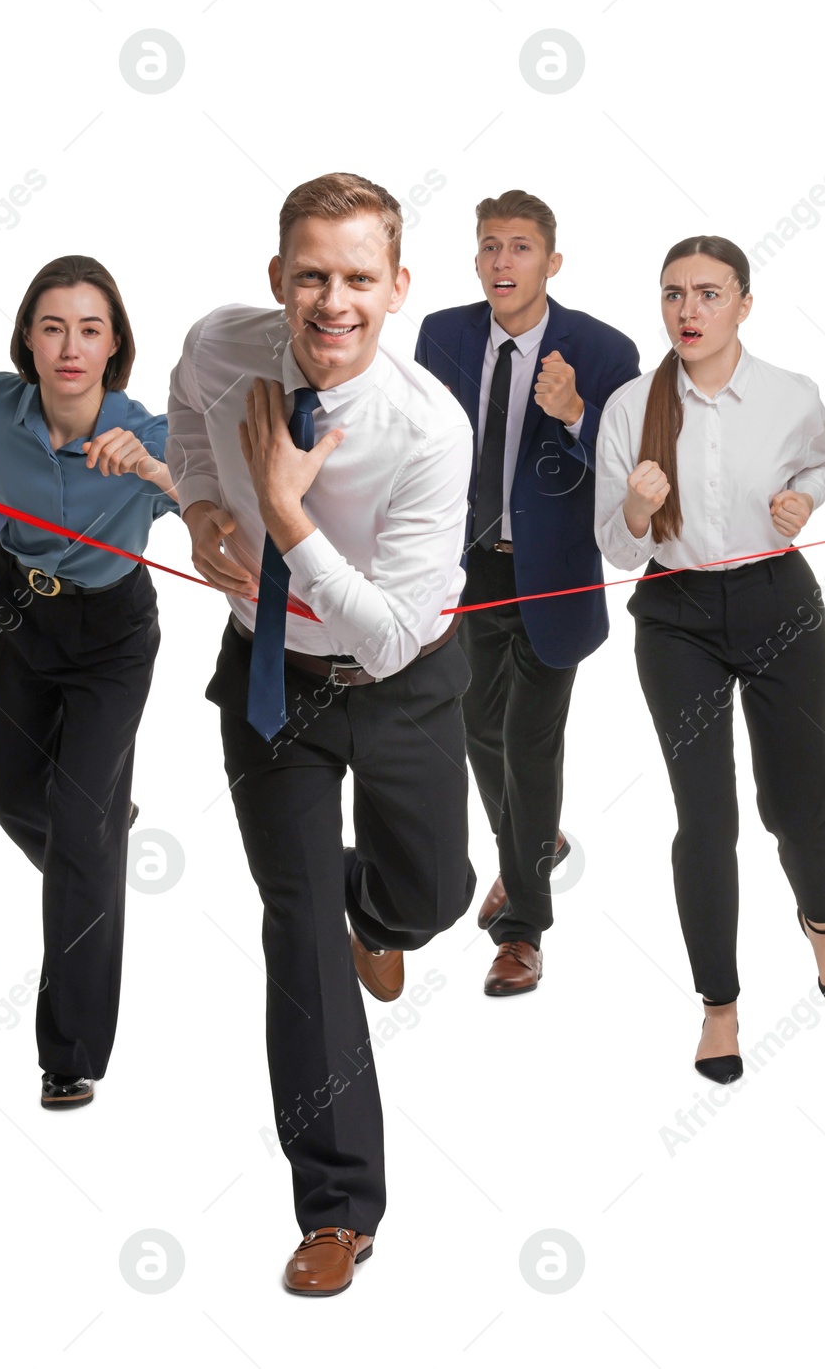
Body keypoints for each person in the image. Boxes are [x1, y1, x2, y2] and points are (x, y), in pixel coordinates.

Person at [167, 172, 475, 1295]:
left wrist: (286, 511)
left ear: (396, 288)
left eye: (356, 277)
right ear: (276, 280)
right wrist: (204, 504)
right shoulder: (220, 345)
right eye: (310, 275)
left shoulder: (429, 430)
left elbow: (393, 636)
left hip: (402, 685)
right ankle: (336, 1208)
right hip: (269, 683)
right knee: (295, 925)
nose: (331, 301)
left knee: (435, 892)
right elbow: (189, 419)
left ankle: (382, 912)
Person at [594, 235, 825, 1085]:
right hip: (676, 619)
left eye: (709, 294)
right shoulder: (631, 408)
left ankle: (821, 921)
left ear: (746, 303)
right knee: (706, 818)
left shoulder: (791, 394)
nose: (689, 311)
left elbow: (818, 467)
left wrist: (801, 501)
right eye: (674, 294)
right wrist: (635, 510)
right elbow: (618, 553)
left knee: (801, 794)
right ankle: (719, 1006)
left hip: (778, 599)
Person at [0, 255, 178, 1110]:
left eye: (90, 328)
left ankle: (69, 1054)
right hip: (14, 617)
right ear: (28, 342)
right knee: (13, 800)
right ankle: (96, 851)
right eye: (52, 326)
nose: (70, 345)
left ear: (115, 347)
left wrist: (152, 473)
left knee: (78, 836)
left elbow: (218, 507)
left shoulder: (146, 429)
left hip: (110, 637)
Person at [416, 190, 639, 995]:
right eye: (489, 247)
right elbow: (423, 449)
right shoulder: (443, 334)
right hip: (466, 572)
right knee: (478, 726)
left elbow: (624, 483)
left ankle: (523, 929)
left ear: (552, 260)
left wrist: (576, 413)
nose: (502, 262)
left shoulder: (606, 352)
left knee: (531, 741)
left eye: (519, 247)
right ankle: (532, 842)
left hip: (553, 577)